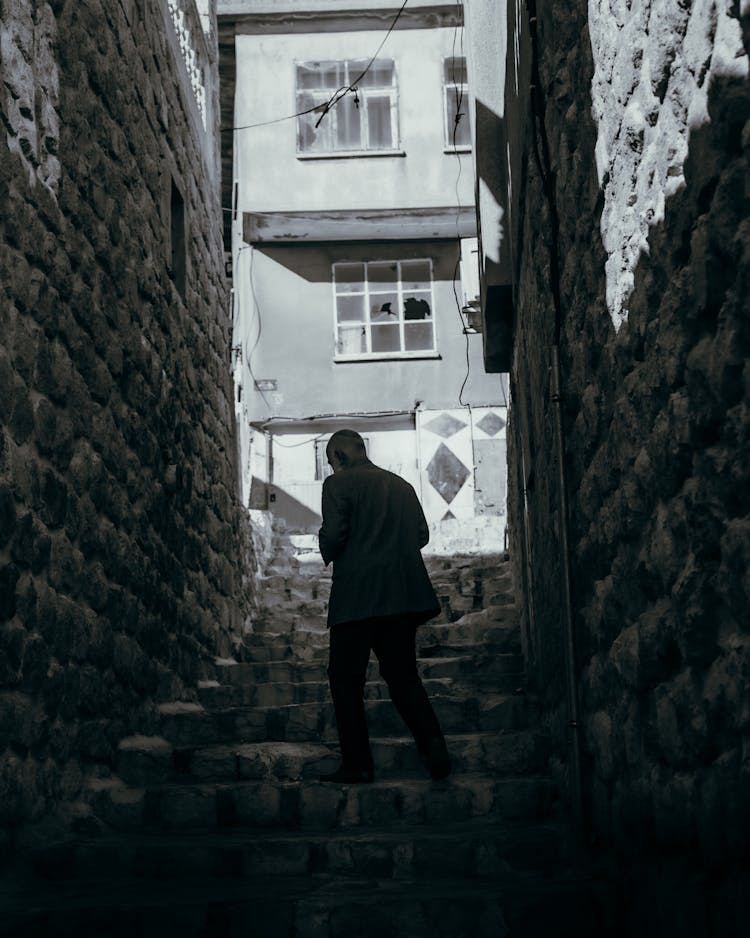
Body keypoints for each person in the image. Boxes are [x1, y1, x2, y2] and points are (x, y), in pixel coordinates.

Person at [317, 429, 451, 784]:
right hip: (400, 599)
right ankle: (435, 747)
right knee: (403, 677)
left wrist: (327, 548)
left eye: (331, 462)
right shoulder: (401, 485)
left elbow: (333, 534)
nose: (332, 469)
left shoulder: (338, 485)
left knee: (345, 680)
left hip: (356, 599)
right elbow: (421, 535)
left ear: (340, 456)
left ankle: (358, 763)